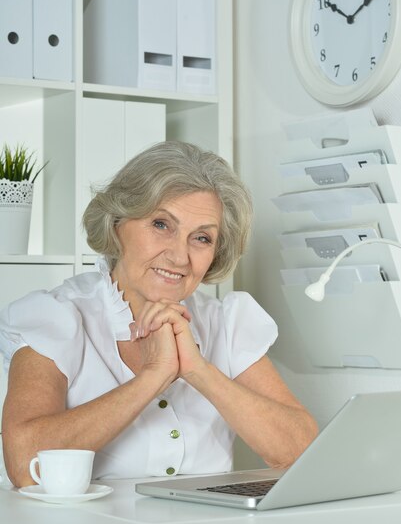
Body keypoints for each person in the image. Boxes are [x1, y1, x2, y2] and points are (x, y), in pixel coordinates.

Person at [0, 141, 317, 487]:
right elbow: (24, 463)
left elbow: (303, 452)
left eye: (202, 238)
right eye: (161, 225)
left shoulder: (226, 321)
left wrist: (200, 372)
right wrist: (152, 377)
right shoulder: (58, 316)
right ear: (117, 223)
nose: (180, 257)